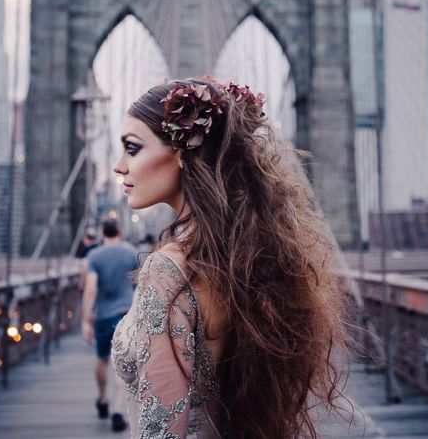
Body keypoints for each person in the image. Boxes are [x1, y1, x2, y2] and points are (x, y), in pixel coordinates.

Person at [110, 78, 351, 438]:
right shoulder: (244, 258)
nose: (118, 166)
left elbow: (162, 429)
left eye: (132, 148)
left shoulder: (167, 271)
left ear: (181, 151)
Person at [81, 219, 139, 433]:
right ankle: (117, 411)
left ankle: (103, 399)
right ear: (120, 231)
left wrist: (86, 320)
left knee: (102, 358)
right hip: (125, 313)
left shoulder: (94, 256)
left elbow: (90, 290)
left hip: (103, 316)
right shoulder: (131, 253)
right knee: (121, 362)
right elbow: (139, 282)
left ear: (103, 233)